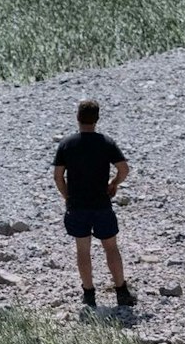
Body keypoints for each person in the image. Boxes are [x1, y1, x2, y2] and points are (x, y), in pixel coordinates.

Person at [52, 99, 134, 309]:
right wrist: (113, 183)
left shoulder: (67, 144)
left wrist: (67, 196)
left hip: (77, 205)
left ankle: (89, 294)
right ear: (97, 119)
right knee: (111, 247)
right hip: (101, 203)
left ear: (77, 117)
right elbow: (124, 169)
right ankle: (121, 291)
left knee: (83, 250)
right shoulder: (106, 142)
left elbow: (58, 176)